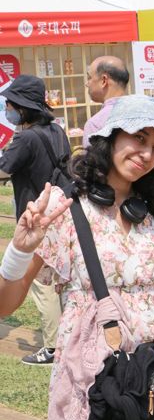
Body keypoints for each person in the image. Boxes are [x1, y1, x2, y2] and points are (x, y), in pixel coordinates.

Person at [0, 94, 154, 420]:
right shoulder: (66, 210)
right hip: (94, 374)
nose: (147, 153)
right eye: (139, 138)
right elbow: (5, 303)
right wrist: (19, 251)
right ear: (111, 137)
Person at [0, 75, 70, 366]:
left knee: (42, 286)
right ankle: (69, 341)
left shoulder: (25, 138)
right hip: (62, 213)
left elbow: (3, 170)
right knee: (61, 281)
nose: (8, 110)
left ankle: (54, 348)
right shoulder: (57, 130)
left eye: (11, 105)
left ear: (23, 109)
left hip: (37, 220)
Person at [82, 56, 129, 147]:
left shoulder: (95, 124)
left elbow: (91, 161)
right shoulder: (145, 113)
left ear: (104, 80)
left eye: (89, 78)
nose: (87, 84)